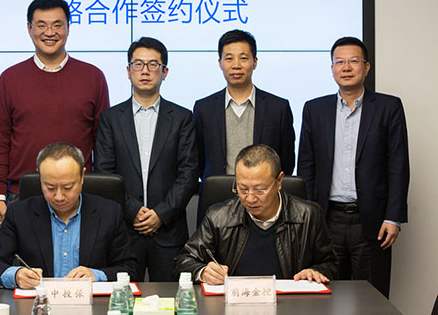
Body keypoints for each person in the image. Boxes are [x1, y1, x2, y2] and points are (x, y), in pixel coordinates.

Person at [297, 36, 409, 298]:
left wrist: (393, 217)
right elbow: (306, 167)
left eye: (353, 61)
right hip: (326, 219)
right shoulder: (314, 109)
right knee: (325, 296)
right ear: (332, 68)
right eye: (339, 62)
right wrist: (307, 217)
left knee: (371, 297)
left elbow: (398, 165)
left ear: (366, 67)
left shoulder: (388, 107)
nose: (346, 67)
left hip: (371, 221)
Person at [0, 0, 110, 229]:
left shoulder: (93, 77)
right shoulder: (9, 78)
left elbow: (102, 143)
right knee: (22, 255)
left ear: (68, 28)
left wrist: (100, 191)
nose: (49, 32)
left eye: (57, 25)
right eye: (41, 25)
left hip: (77, 196)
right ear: (29, 28)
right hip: (21, 194)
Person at [95, 37, 199, 282]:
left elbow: (189, 173)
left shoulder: (182, 118)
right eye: (138, 64)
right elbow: (105, 173)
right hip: (123, 231)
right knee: (122, 297)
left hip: (168, 231)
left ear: (165, 72)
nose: (145, 71)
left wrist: (160, 214)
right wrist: (133, 211)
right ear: (128, 70)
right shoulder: (110, 119)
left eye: (153, 65)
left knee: (173, 297)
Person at [174, 144, 338, 285]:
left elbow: (330, 264)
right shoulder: (218, 217)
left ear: (279, 181)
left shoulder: (308, 216)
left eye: (259, 190)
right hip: (234, 304)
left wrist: (315, 272)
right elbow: (183, 262)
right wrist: (203, 272)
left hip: (289, 303)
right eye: (243, 189)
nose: (250, 198)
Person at [0, 142, 137, 288]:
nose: (59, 197)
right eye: (50, 187)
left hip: (92, 302)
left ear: (82, 177)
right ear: (40, 177)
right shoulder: (19, 213)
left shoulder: (109, 213)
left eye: (68, 187)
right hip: (38, 303)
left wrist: (96, 275)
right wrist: (16, 275)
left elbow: (130, 268)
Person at [193, 29, 295, 180]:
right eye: (229, 59)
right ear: (220, 63)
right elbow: (198, 160)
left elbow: (286, 161)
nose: (236, 65)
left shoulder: (278, 108)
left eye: (243, 58)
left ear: (255, 62)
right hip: (216, 192)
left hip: (263, 191)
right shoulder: (204, 108)